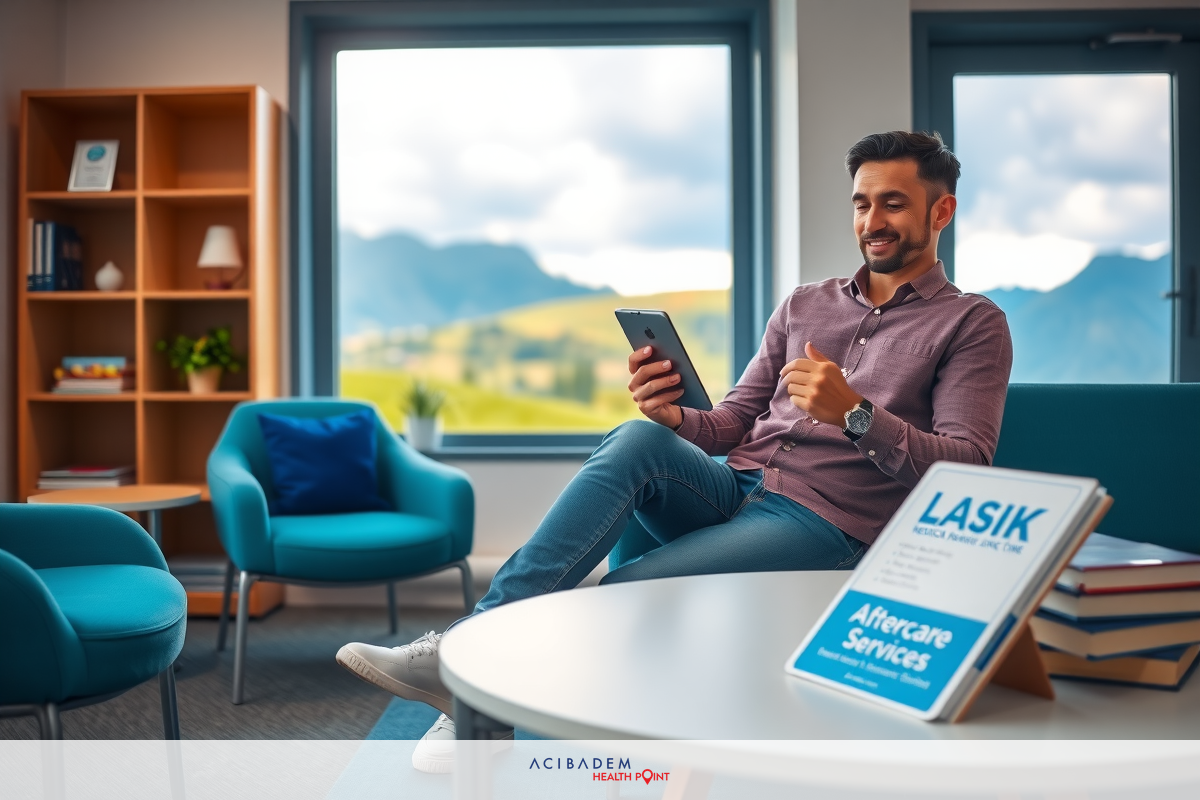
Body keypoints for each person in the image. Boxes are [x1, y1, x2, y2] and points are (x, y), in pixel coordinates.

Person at [336, 130, 1013, 770]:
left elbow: (965, 468)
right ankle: (467, 665)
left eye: (893, 202)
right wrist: (673, 415)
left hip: (829, 522)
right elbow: (732, 423)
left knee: (621, 593)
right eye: (863, 203)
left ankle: (467, 690)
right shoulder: (805, 305)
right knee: (638, 437)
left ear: (941, 210)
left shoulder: (972, 323)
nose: (873, 220)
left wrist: (857, 415)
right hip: (741, 487)